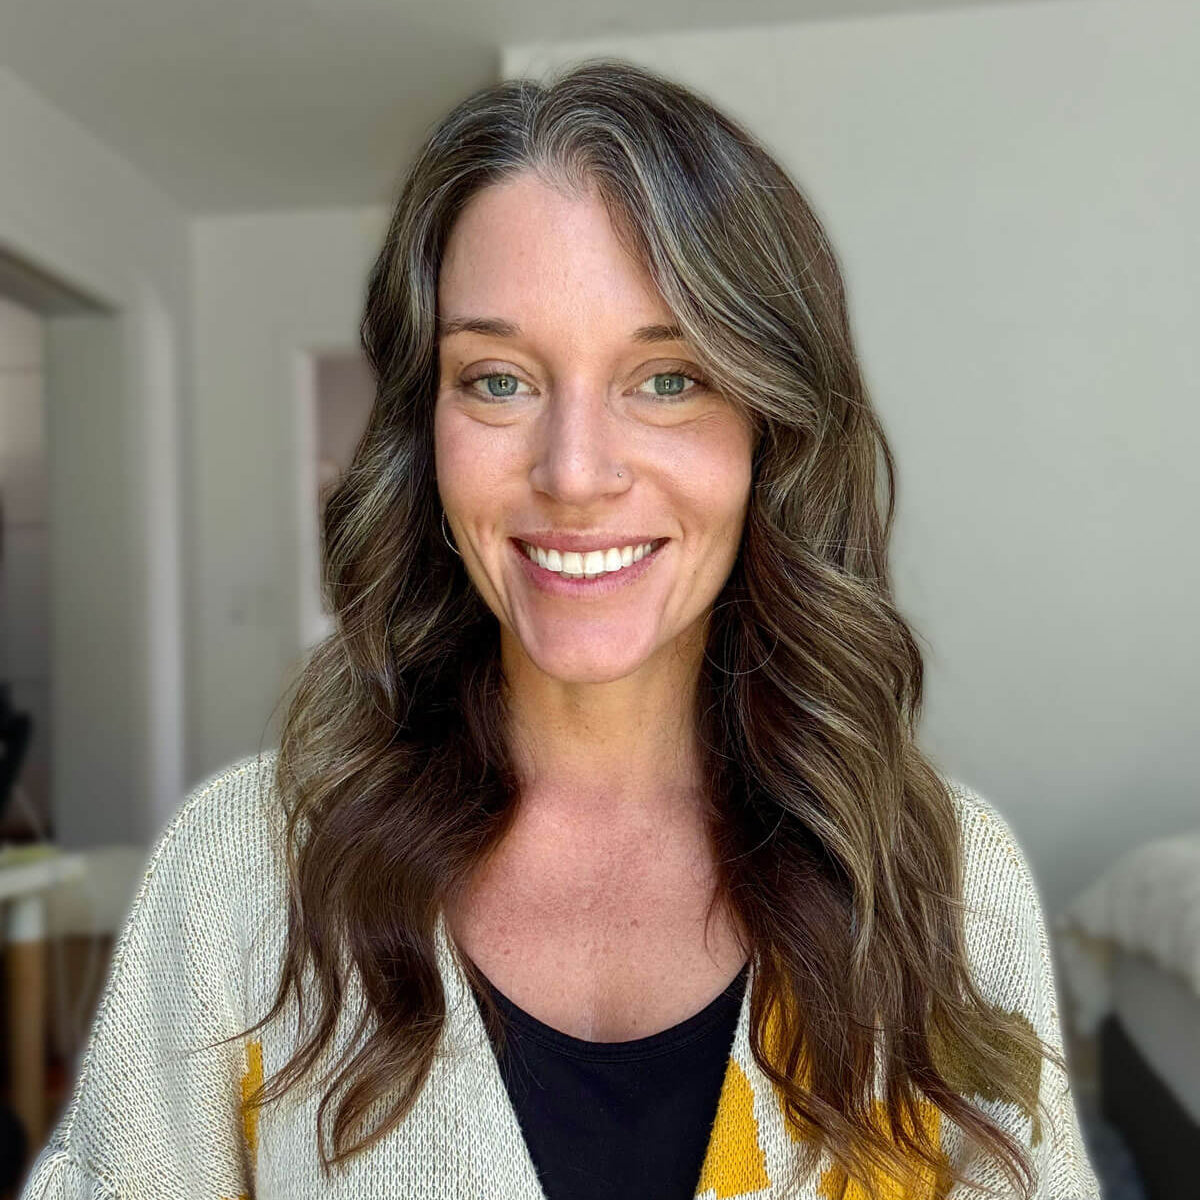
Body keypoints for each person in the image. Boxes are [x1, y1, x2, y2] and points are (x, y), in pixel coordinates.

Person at [21, 59, 1101, 1200]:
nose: (574, 474)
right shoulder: (247, 868)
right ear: (422, 429)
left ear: (770, 430)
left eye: (669, 377)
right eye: (497, 380)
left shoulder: (939, 878)